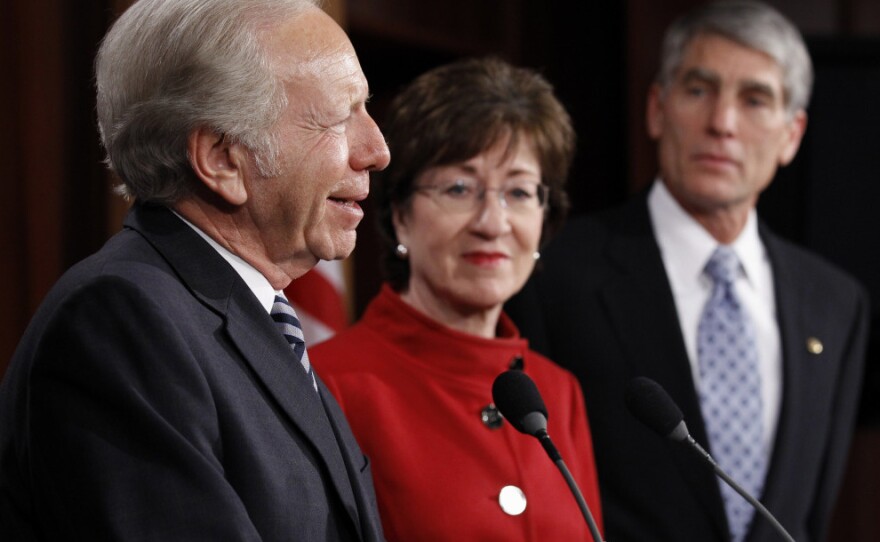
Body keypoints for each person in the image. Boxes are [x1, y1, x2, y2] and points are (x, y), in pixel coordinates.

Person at [0, 0, 390, 539]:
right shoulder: (123, 323)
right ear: (222, 159)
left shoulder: (259, 324)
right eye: (338, 117)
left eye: (365, 109)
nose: (377, 150)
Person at [506, 1, 869, 541]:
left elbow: (808, 517)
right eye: (699, 90)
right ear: (657, 109)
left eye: (754, 100)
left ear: (792, 135)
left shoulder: (836, 302)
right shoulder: (556, 272)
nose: (722, 123)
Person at [310, 57, 603, 541]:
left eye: (519, 192)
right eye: (460, 188)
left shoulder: (559, 392)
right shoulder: (329, 385)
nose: (493, 223)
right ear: (400, 213)